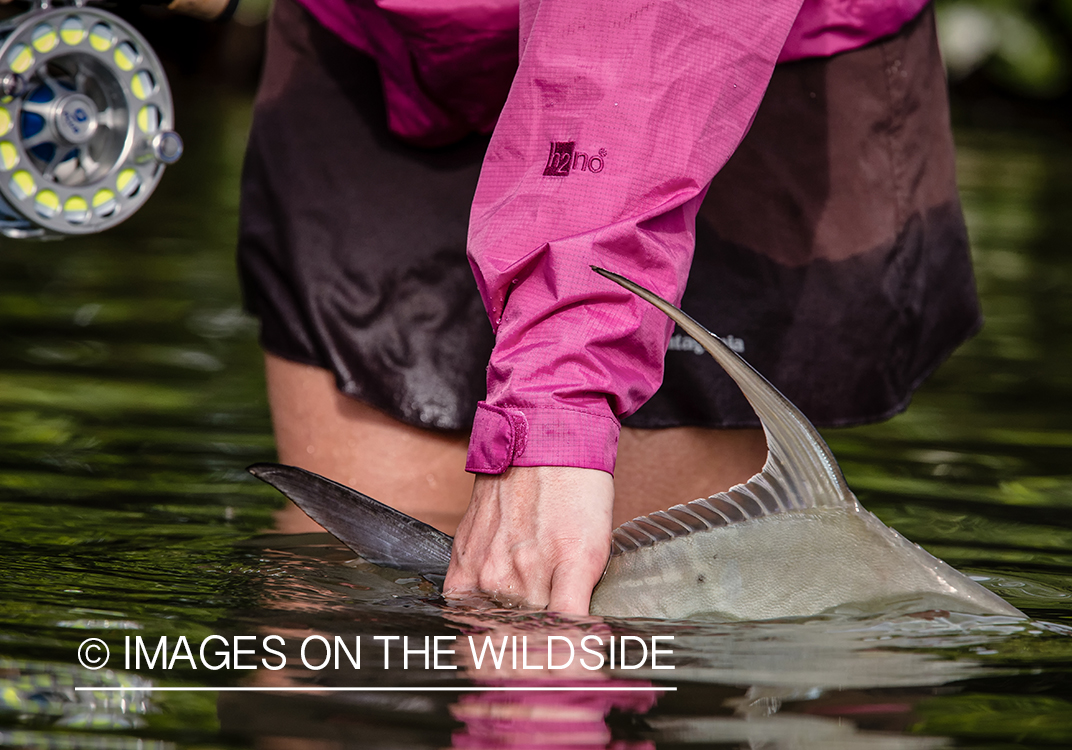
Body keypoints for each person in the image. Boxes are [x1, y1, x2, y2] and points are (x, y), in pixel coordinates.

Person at [238, 0, 980, 614]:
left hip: (727, 59)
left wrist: (556, 408)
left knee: (622, 644)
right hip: (388, 38)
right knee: (343, 657)